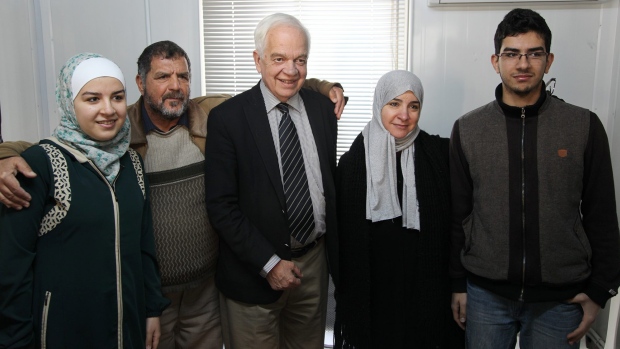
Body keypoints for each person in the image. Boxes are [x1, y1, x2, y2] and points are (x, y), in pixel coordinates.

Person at [0, 40, 345, 348]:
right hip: (150, 293)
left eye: (183, 76)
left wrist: (325, 87)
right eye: (163, 77)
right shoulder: (120, 132)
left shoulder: (211, 116)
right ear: (140, 83)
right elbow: (54, 147)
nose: (175, 86)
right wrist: (4, 155)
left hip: (206, 290)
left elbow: (276, 86)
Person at [449, 8, 620, 349]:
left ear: (549, 59)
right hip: (486, 295)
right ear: (495, 60)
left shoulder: (583, 126)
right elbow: (458, 215)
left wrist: (600, 290)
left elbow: (602, 215)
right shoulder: (468, 129)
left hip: (561, 300)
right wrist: (457, 284)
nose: (523, 64)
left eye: (534, 54)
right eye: (512, 54)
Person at [0, 53, 169, 348]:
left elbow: (144, 246)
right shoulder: (38, 165)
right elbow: (11, 268)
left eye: (117, 97)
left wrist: (152, 309)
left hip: (128, 326)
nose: (108, 110)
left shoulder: (131, 162)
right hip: (63, 333)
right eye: (92, 99)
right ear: (69, 103)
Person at [204, 13, 339, 349]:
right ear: (258, 60)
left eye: (300, 60)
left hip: (312, 265)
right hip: (254, 273)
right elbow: (221, 206)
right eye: (279, 59)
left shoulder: (323, 111)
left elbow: (326, 184)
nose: (290, 71)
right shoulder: (227, 119)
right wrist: (268, 263)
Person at [334, 70, 463, 349]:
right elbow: (340, 239)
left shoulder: (440, 154)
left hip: (426, 293)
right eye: (394, 104)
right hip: (374, 294)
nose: (404, 115)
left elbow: (457, 224)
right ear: (379, 104)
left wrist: (457, 284)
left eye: (413, 106)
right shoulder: (352, 164)